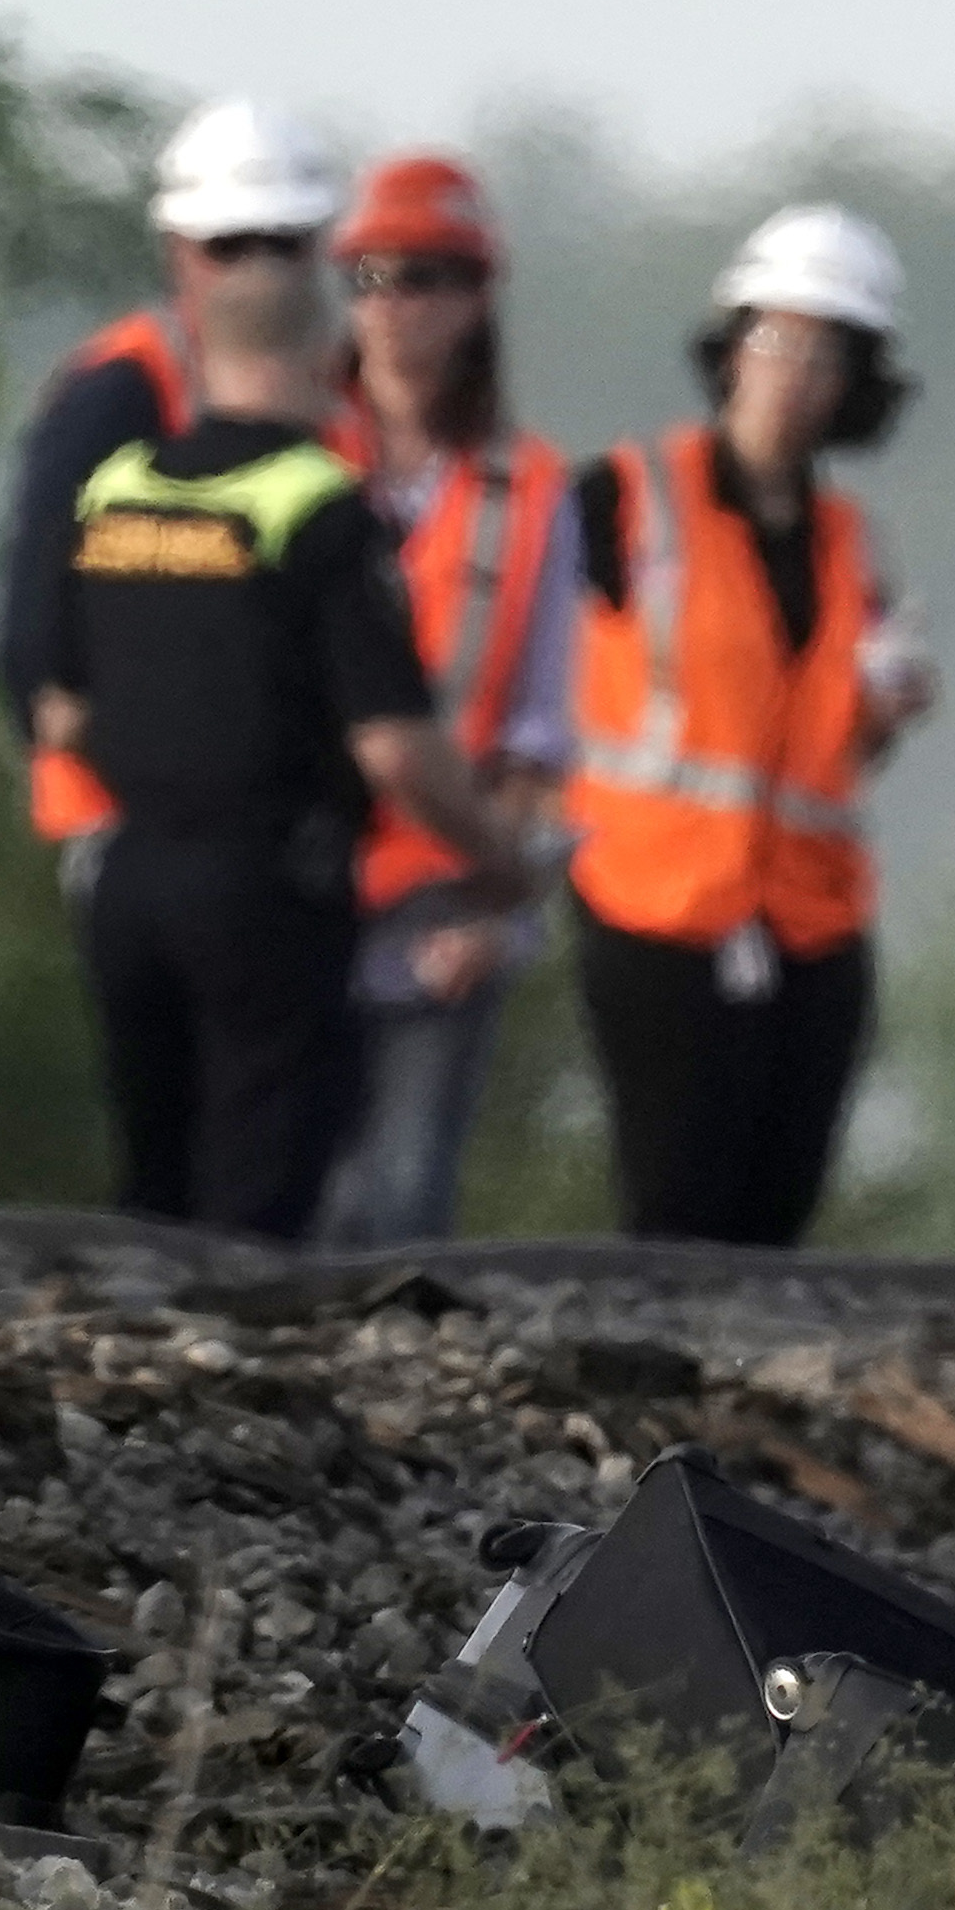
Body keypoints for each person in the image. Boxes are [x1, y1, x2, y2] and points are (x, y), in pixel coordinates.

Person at [24, 165, 530, 1230]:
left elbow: (61, 705)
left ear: (196, 353)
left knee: (152, 1189)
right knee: (261, 1200)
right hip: (266, 889)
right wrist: (495, 854)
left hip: (127, 880)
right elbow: (394, 746)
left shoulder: (119, 492)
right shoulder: (317, 507)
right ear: (321, 358)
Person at [566, 205, 930, 1247]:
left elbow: (841, 748)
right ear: (731, 348)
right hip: (660, 912)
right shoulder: (626, 498)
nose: (794, 375)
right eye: (775, 340)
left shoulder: (855, 544)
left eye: (826, 353)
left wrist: (887, 710)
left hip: (810, 924)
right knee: (678, 1208)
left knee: (778, 1215)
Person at [317, 150, 581, 1246]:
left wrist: (500, 904)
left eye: (423, 277)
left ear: (476, 298)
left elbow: (539, 727)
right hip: (300, 887)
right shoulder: (293, 460)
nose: (392, 307)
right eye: (370, 277)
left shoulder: (527, 495)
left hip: (442, 899)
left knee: (405, 1204)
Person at [0, 99, 337, 860]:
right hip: (127, 818)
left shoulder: (332, 389)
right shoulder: (118, 390)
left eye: (283, 244)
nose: (259, 271)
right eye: (231, 245)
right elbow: (37, 641)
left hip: (271, 812)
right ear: (177, 249)